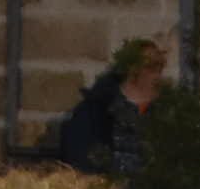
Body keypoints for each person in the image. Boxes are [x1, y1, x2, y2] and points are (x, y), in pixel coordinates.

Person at [60, 38, 165, 179]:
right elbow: (85, 164)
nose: (157, 76)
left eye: (160, 67)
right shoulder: (96, 111)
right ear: (131, 70)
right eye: (151, 67)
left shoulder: (165, 113)